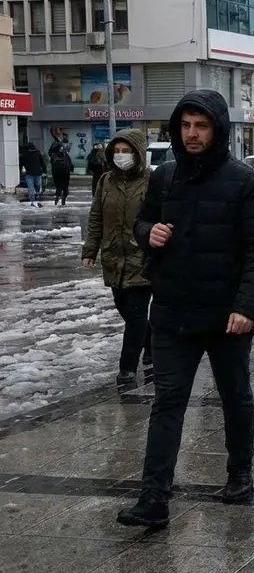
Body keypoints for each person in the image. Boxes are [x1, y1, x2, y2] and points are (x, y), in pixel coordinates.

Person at [117, 89, 254, 529]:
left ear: (217, 129)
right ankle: (154, 497)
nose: (192, 134)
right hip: (171, 313)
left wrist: (247, 307)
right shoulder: (164, 177)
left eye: (201, 126)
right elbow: (140, 221)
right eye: (185, 125)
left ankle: (239, 472)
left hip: (227, 316)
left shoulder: (246, 182)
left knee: (234, 396)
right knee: (167, 402)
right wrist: (148, 232)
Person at [82, 130, 154, 384]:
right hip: (113, 258)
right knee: (126, 309)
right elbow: (96, 217)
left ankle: (127, 368)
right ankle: (152, 345)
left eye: (127, 151)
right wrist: (90, 249)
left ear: (138, 153)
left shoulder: (151, 180)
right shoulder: (106, 181)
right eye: (117, 151)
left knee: (135, 315)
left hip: (141, 258)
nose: (121, 156)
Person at [19, 142, 46, 207]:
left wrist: (44, 170)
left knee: (38, 185)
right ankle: (33, 201)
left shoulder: (37, 153)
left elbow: (42, 162)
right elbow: (21, 163)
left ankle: (36, 195)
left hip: (37, 173)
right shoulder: (24, 154)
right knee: (31, 188)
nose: (32, 150)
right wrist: (21, 170)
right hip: (29, 174)